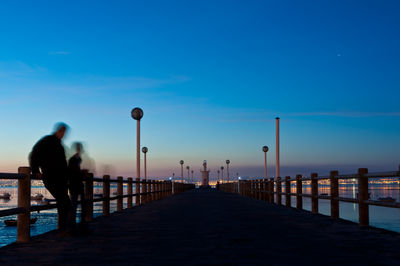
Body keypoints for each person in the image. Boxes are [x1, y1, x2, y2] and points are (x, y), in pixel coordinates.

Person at [30, 123, 71, 235]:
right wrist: (36, 170)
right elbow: (34, 154)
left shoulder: (59, 144)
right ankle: (63, 229)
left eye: (64, 132)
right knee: (64, 201)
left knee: (65, 202)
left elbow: (62, 164)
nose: (63, 134)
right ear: (58, 131)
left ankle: (63, 229)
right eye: (62, 132)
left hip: (60, 178)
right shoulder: (47, 140)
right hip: (51, 176)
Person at [68, 142, 89, 234]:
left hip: (76, 185)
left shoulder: (76, 159)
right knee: (75, 206)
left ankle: (79, 226)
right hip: (75, 185)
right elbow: (73, 172)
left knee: (78, 206)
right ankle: (74, 227)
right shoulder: (73, 160)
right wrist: (82, 173)